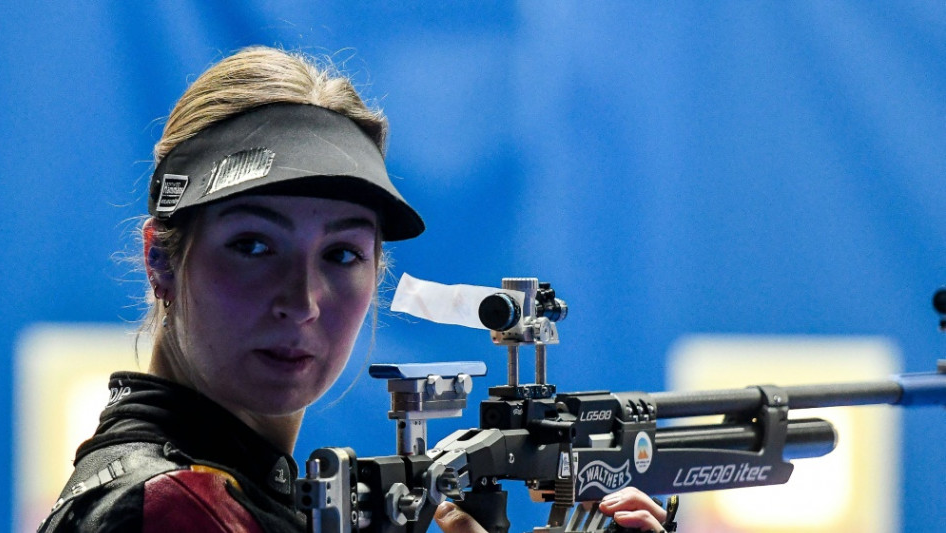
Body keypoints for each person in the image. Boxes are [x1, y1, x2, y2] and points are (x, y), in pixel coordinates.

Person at [40, 46, 669, 533]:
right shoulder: (169, 506)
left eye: (342, 254)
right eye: (254, 246)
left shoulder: (250, 491)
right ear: (161, 261)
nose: (303, 300)